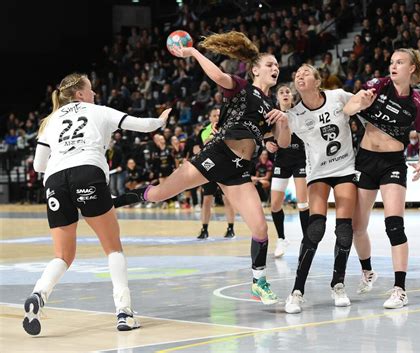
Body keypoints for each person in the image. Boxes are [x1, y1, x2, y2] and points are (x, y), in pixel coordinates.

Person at [113, 31, 291, 305]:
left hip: (238, 170)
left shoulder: (272, 105)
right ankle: (116, 201)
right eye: (270, 64)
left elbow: (279, 144)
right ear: (255, 69)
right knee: (160, 194)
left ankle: (259, 282)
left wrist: (283, 122)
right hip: (216, 154)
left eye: (277, 65)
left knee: (260, 229)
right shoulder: (243, 87)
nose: (275, 68)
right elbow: (219, 77)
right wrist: (194, 52)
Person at [24, 73, 171, 335]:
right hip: (87, 171)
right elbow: (143, 125)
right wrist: (161, 119)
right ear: (80, 94)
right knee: (113, 247)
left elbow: (38, 166)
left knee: (62, 255)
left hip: (55, 180)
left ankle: (38, 296)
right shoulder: (98, 110)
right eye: (91, 89)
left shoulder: (51, 120)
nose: (94, 94)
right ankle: (124, 313)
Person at [343, 48, 420, 309]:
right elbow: (348, 109)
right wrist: (360, 103)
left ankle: (400, 289)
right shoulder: (377, 86)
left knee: (394, 225)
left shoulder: (417, 104)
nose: (393, 66)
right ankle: (368, 271)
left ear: (412, 68)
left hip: (393, 164)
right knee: (356, 227)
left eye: (399, 62)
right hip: (365, 161)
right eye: (391, 62)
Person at [281, 64, 357, 313]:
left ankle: (338, 283)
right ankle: (296, 290)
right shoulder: (294, 114)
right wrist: (281, 120)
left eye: (305, 72)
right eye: (297, 74)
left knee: (345, 230)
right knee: (315, 229)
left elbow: (361, 109)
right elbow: (282, 142)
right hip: (318, 173)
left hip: (345, 168)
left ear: (317, 80)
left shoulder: (338, 97)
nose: (299, 75)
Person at [265, 84, 309, 258]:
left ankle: (307, 242)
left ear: (292, 96)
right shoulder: (272, 115)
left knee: (303, 203)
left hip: (300, 160)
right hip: (282, 161)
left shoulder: (300, 113)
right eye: (281, 92)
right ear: (277, 98)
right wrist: (267, 144)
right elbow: (265, 134)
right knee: (275, 205)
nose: (285, 94)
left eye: (287, 92)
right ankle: (282, 239)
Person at [196, 107, 236, 240]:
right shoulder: (204, 131)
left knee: (227, 199)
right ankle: (204, 229)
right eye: (214, 116)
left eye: (219, 115)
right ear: (210, 118)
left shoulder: (229, 128)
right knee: (207, 199)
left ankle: (231, 228)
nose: (217, 118)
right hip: (209, 165)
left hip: (225, 165)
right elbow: (205, 144)